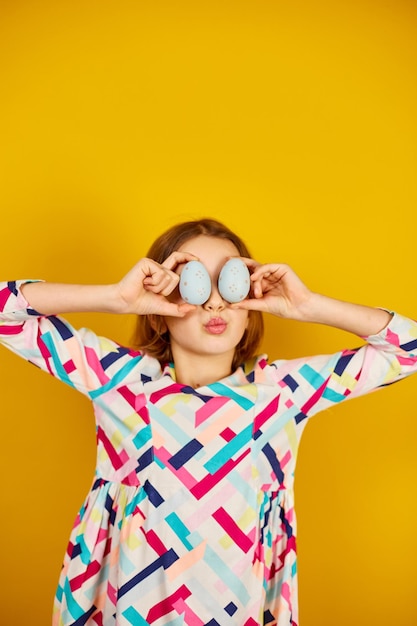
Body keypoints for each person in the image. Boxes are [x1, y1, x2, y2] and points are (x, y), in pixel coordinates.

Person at [1, 217, 416, 626]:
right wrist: (117, 297)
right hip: (127, 604)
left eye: (230, 282)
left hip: (237, 608)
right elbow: (6, 313)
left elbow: (408, 350)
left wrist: (306, 305)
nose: (215, 303)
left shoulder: (281, 393)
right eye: (193, 284)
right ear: (159, 309)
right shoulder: (120, 382)